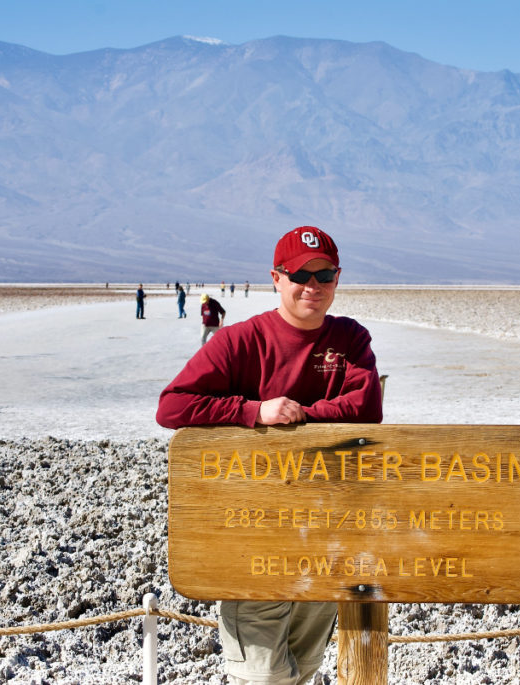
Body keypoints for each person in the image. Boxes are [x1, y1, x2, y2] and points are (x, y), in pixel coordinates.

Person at [156, 226, 382, 685]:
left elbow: (366, 407)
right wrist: (255, 411)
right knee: (262, 678)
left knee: (305, 670)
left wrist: (298, 417)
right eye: (300, 274)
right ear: (275, 278)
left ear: (338, 279)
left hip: (325, 542)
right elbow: (173, 405)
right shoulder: (242, 340)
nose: (312, 286)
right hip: (255, 543)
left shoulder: (350, 339)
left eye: (324, 275)